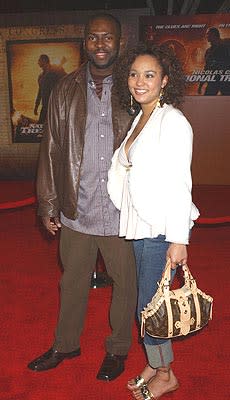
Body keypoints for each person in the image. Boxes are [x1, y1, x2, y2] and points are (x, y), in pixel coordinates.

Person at [27, 14, 137, 381]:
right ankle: (66, 343)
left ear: (119, 42)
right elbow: (52, 148)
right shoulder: (66, 89)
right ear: (84, 43)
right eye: (93, 38)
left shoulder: (134, 87)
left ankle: (118, 348)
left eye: (108, 37)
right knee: (71, 281)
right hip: (78, 206)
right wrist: (48, 203)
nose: (101, 44)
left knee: (125, 283)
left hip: (123, 211)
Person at [107, 43, 200, 399]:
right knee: (145, 303)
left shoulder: (172, 121)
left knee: (152, 306)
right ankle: (153, 361)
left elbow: (180, 182)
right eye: (133, 74)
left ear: (165, 80)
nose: (139, 81)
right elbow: (124, 167)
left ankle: (166, 373)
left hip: (161, 229)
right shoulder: (140, 117)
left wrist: (179, 239)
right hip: (141, 225)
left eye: (149, 74)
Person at [34, 54, 66, 124]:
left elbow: (65, 80)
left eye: (39, 60)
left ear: (44, 61)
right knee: (40, 124)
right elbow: (40, 92)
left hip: (55, 106)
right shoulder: (41, 77)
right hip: (45, 106)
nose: (38, 62)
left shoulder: (54, 72)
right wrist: (36, 106)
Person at [197, 27, 230, 95]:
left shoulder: (226, 46)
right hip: (213, 81)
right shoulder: (208, 51)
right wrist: (200, 85)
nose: (206, 36)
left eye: (208, 34)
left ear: (214, 34)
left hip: (225, 80)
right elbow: (206, 69)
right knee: (207, 100)